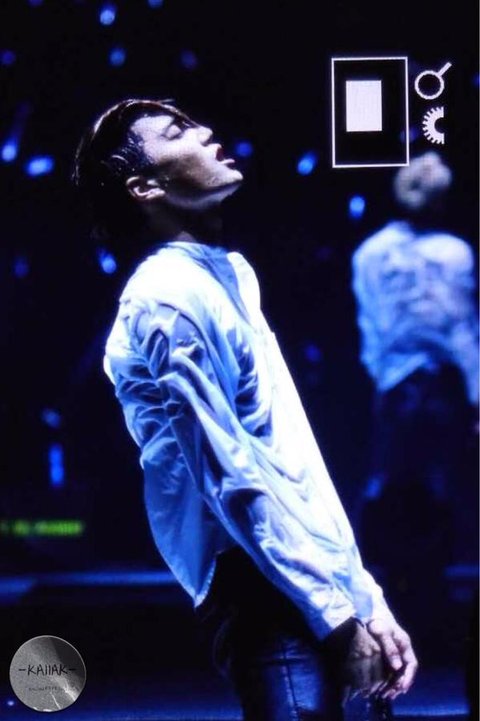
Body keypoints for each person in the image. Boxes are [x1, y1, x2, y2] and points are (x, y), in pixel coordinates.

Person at [74, 98, 417, 720]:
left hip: (301, 574)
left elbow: (292, 461)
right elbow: (229, 477)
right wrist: (338, 616)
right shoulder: (166, 296)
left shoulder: (227, 273)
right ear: (145, 187)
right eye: (178, 132)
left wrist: (365, 598)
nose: (207, 132)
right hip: (257, 580)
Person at [351, 152, 479, 654]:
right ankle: (410, 594)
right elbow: (462, 329)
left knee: (400, 482)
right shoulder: (451, 252)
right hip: (428, 384)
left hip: (401, 384)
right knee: (423, 484)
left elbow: (372, 328)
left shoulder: (372, 252)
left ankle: (399, 590)